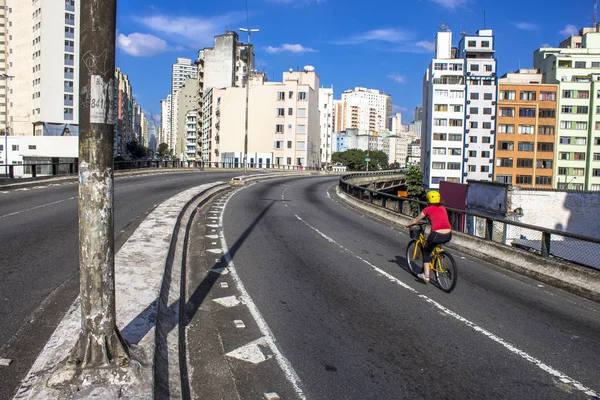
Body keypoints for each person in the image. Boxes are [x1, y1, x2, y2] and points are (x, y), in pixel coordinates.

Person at [406, 190, 452, 283]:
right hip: (448, 234)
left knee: (426, 251)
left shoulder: (427, 209)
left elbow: (416, 220)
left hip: (437, 234)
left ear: (428, 200)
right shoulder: (443, 208)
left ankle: (426, 276)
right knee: (436, 241)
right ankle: (440, 253)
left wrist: (408, 224)